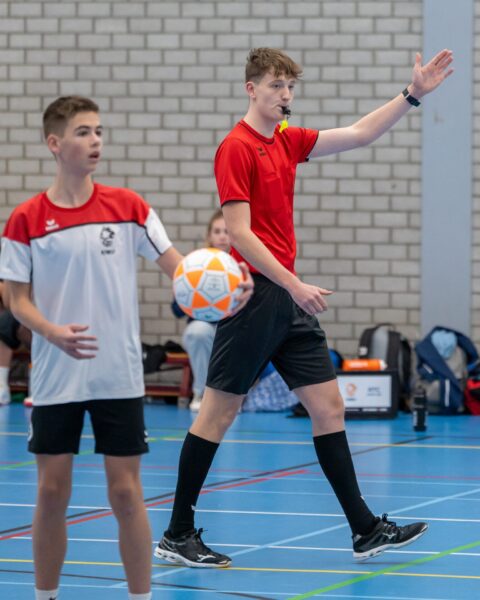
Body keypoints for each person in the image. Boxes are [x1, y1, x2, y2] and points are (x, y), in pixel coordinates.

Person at [154, 47, 453, 567]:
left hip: (288, 299)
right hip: (256, 297)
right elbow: (241, 235)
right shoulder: (236, 148)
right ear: (252, 88)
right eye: (276, 86)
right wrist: (294, 284)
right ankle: (178, 534)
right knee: (218, 414)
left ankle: (364, 530)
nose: (286, 96)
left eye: (290, 86)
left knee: (327, 407)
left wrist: (413, 96)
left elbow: (360, 133)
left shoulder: (288, 141)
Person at [0, 95, 253, 600]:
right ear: (55, 143)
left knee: (125, 493)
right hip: (56, 377)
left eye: (98, 131)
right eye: (82, 132)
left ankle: (141, 596)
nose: (95, 141)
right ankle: (44, 596)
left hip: (118, 375)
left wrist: (227, 290)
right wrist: (51, 332)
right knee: (51, 493)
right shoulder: (26, 219)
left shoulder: (130, 208)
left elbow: (182, 270)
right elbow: (15, 299)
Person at [171, 209, 230, 411]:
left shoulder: (244, 264)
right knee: (198, 331)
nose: (222, 236)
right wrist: (194, 294)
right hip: (204, 328)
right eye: (217, 231)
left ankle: (231, 396)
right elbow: (176, 310)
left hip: (234, 328)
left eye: (227, 231)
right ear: (209, 236)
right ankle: (202, 392)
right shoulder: (195, 265)